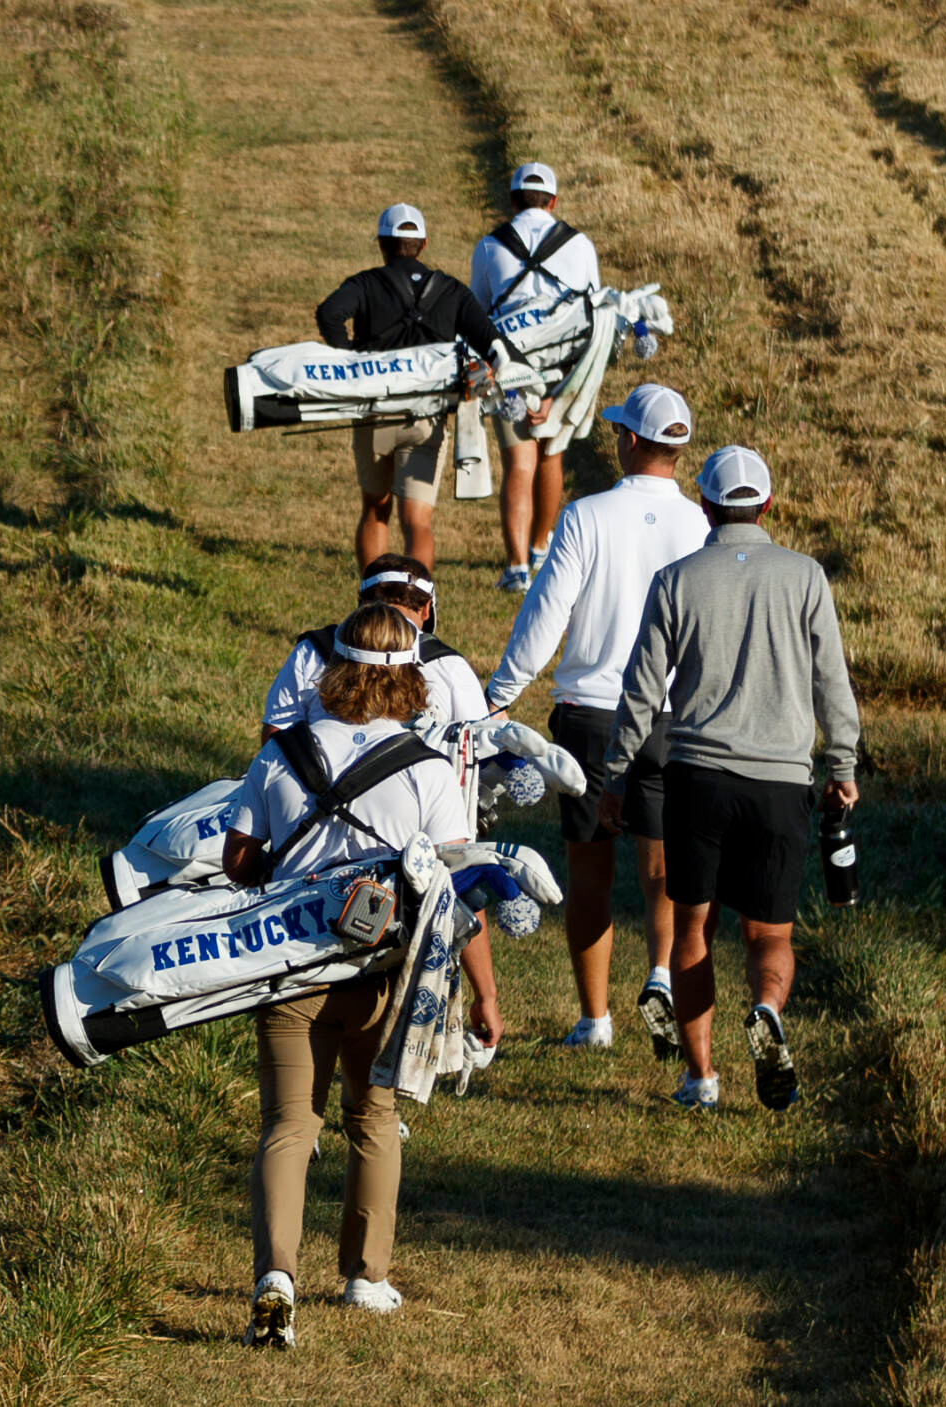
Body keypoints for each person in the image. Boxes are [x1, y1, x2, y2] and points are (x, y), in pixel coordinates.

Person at [221, 604, 497, 1348]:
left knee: (287, 1125)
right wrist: (486, 992)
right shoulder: (430, 771)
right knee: (372, 1120)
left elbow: (238, 863)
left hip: (289, 967)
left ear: (334, 670)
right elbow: (457, 891)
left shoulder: (282, 754)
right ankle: (366, 1276)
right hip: (383, 975)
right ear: (412, 677)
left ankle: (275, 1279)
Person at [601, 446, 861, 1111]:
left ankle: (701, 1079)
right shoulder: (805, 577)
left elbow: (640, 691)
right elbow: (833, 679)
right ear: (767, 505)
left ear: (707, 505)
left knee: (693, 930)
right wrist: (843, 765)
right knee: (769, 935)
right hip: (779, 781)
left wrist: (616, 771)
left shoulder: (675, 580)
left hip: (697, 778)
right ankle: (768, 1010)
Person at [482, 384, 707, 1055]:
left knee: (590, 867)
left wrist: (500, 692)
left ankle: (595, 1017)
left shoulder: (585, 517)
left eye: (619, 433)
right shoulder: (700, 525)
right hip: (670, 713)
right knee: (661, 857)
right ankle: (662, 972)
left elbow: (544, 617)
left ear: (633, 441)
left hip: (589, 713)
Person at [316, 204, 503, 571]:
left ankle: (374, 599)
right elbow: (492, 343)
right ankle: (415, 604)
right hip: (427, 420)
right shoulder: (451, 290)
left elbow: (329, 313)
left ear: (382, 245)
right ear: (424, 244)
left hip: (374, 413)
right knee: (417, 521)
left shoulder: (365, 284)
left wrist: (349, 357)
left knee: (375, 509)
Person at [470, 163, 602, 593]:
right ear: (554, 201)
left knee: (518, 464)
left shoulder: (490, 246)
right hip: (564, 366)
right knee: (552, 456)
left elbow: (477, 311)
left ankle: (516, 567)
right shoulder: (580, 244)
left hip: (510, 365)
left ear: (511, 200)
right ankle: (542, 546)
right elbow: (592, 309)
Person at [261, 553, 490, 738]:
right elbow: (479, 748)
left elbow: (276, 734)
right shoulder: (450, 666)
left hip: (319, 792)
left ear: (360, 603)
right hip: (416, 791)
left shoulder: (311, 652)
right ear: (427, 608)